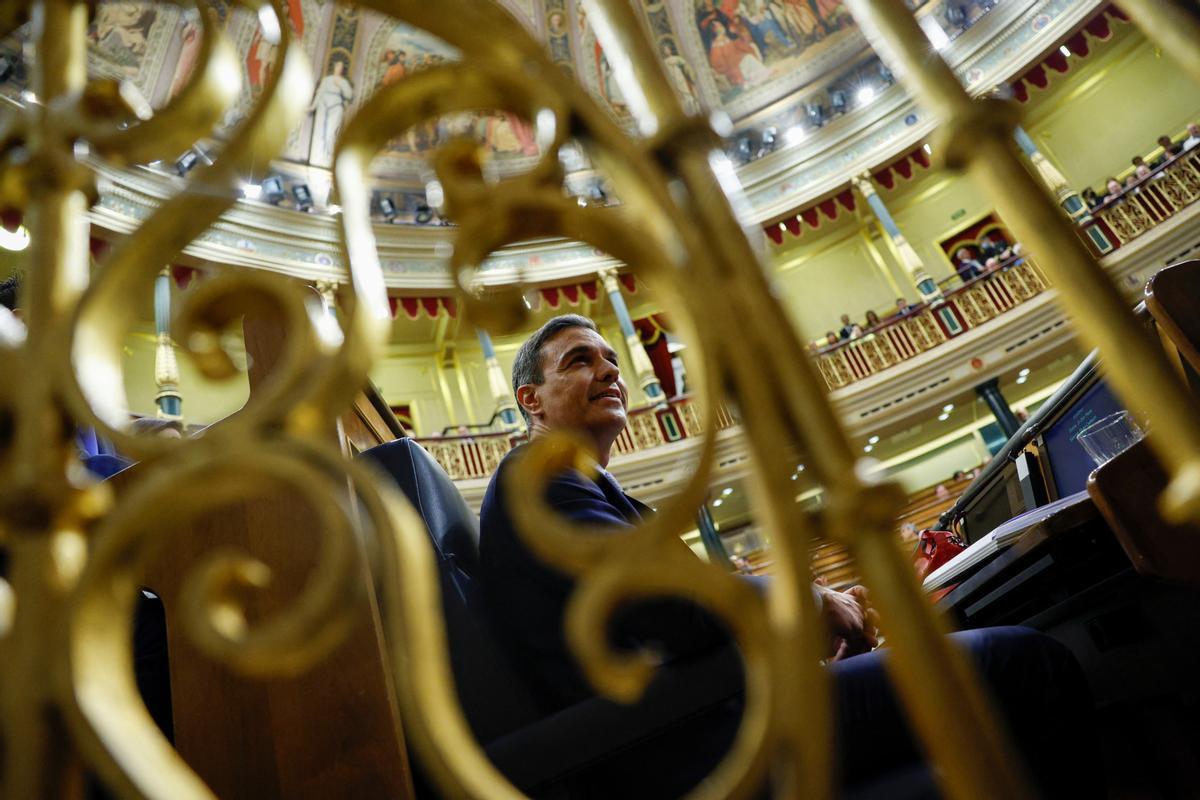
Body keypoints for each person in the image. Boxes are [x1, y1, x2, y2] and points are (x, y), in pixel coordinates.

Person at [478, 314, 1100, 796]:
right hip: (701, 741)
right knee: (1022, 661)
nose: (610, 371)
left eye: (613, 359)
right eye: (580, 361)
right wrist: (814, 601)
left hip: (719, 710)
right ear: (532, 400)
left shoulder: (577, 483)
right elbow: (669, 605)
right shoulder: (538, 479)